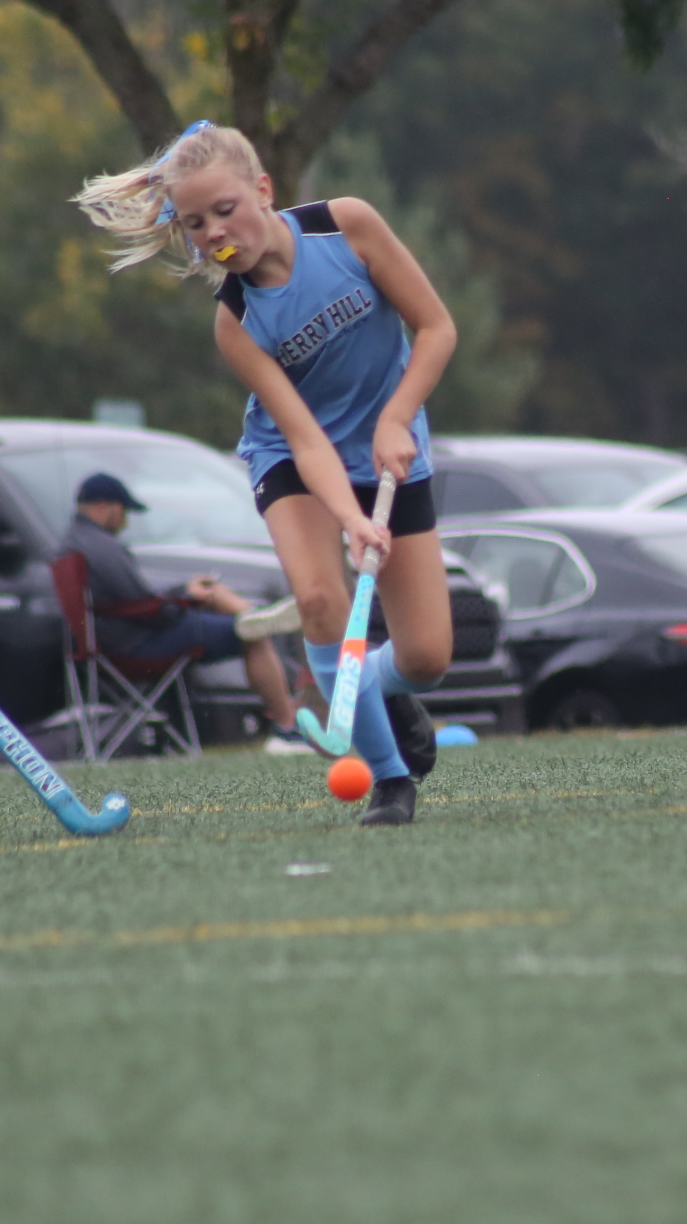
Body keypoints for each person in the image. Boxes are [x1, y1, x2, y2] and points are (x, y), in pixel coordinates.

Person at [73, 122, 453, 826]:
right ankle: (390, 780)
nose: (214, 232)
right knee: (319, 600)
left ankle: (364, 684)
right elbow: (305, 441)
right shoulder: (238, 323)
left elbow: (436, 328)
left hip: (390, 443)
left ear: (263, 190)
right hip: (295, 461)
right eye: (193, 224)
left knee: (428, 656)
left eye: (224, 209)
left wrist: (396, 419)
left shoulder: (349, 226)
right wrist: (350, 520)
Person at [63, 471, 301, 737]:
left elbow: (133, 600)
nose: (126, 522)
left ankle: (250, 613)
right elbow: (146, 608)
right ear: (103, 507)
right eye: (124, 511)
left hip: (111, 640)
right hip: (136, 645)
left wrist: (182, 593)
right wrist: (186, 601)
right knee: (250, 632)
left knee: (208, 594)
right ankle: (286, 722)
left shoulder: (72, 543)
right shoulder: (104, 548)